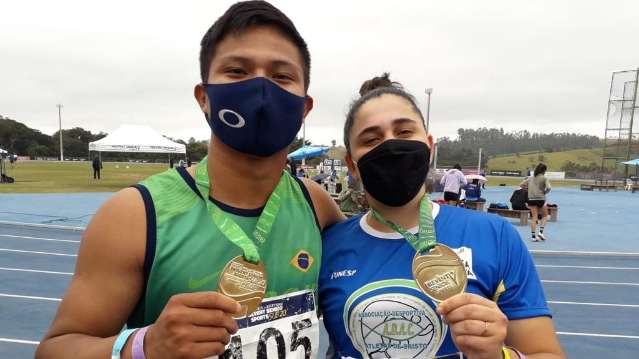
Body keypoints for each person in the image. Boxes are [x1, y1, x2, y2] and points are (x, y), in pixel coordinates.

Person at [36, 2, 343, 358]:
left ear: (304, 108)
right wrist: (143, 346)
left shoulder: (317, 205)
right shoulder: (133, 216)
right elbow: (55, 350)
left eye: (281, 77)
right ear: (204, 98)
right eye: (237, 71)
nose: (260, 89)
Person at [319, 73, 564, 359]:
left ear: (430, 146)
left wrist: (498, 356)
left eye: (404, 132)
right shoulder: (327, 246)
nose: (390, 146)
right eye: (371, 139)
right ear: (352, 164)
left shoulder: (494, 236)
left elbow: (545, 353)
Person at [521, 163, 551, 242]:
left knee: (534, 217)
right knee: (545, 215)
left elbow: (521, 185)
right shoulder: (544, 178)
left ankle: (533, 236)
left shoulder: (530, 178)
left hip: (531, 199)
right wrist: (544, 192)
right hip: (541, 199)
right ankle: (541, 232)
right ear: (544, 170)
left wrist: (528, 190)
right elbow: (549, 188)